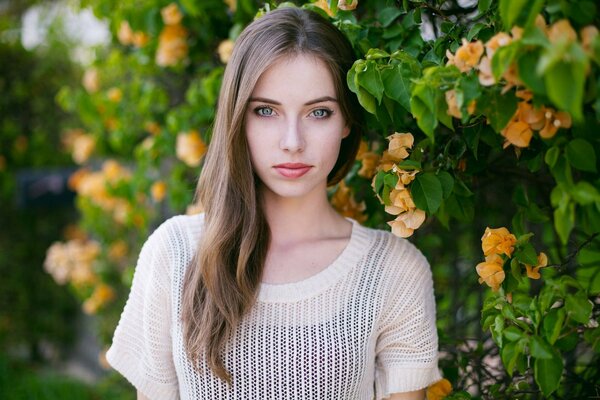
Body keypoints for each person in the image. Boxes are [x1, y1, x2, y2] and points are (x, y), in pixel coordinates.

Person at [106, 6, 441, 400]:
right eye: (266, 111)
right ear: (238, 118)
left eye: (319, 112)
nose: (292, 141)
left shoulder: (393, 272)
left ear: (346, 121)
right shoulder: (175, 253)